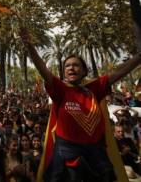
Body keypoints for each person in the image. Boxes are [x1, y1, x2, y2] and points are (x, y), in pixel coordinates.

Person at [20, 27, 141, 182]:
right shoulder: (60, 89)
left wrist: (139, 57)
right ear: (64, 72)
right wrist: (29, 46)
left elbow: (119, 71)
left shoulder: (94, 89)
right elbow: (43, 69)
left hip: (96, 152)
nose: (71, 68)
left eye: (76, 65)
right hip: (66, 151)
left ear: (84, 71)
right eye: (67, 66)